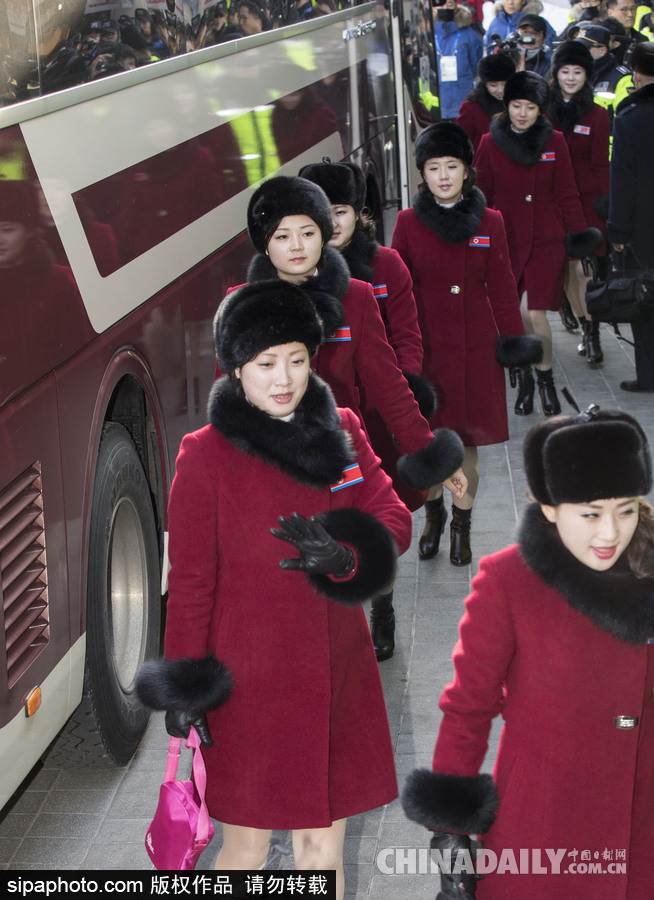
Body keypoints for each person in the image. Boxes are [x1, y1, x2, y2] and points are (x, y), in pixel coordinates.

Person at [136, 280, 413, 896]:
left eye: (296, 360)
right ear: (237, 370)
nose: (284, 378)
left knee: (323, 850)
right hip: (248, 684)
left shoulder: (340, 428)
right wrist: (186, 682)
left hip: (334, 670)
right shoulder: (203, 454)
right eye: (266, 364)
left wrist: (347, 552)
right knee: (247, 849)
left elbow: (394, 516)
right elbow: (190, 582)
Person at [402, 405, 654, 900]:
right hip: (544, 824)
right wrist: (451, 832)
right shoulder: (509, 581)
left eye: (625, 509)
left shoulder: (648, 569)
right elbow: (468, 707)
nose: (610, 533)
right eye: (590, 514)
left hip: (641, 814)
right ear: (549, 507)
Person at [225, 175, 467, 658]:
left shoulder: (356, 296)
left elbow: (389, 383)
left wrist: (429, 452)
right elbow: (227, 396)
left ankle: (381, 608)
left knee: (356, 545)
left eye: (308, 232)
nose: (297, 246)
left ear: (326, 233)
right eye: (281, 236)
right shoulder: (239, 302)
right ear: (263, 243)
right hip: (273, 460)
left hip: (342, 454)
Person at [297, 158, 435, 656]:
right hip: (300, 438)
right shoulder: (265, 290)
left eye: (340, 212)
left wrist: (420, 437)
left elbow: (396, 355)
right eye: (318, 217)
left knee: (370, 526)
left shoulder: (374, 275)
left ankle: (382, 605)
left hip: (363, 426)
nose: (330, 227)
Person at [391, 123, 541, 569]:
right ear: (423, 173)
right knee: (427, 440)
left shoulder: (489, 221)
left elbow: (501, 287)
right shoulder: (407, 222)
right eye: (433, 167)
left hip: (477, 351)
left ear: (466, 171)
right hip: (427, 351)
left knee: (468, 443)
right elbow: (398, 292)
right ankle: (433, 517)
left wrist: (515, 345)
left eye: (451, 166)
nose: (442, 175)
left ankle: (462, 526)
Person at [474, 70, 601, 416]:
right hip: (506, 242)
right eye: (516, 105)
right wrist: (477, 240)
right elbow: (481, 196)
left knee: (532, 311)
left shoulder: (554, 140)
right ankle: (526, 378)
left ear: (540, 109)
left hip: (547, 240)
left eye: (530, 107)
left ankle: (545, 380)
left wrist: (579, 243)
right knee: (514, 316)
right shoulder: (489, 142)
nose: (522, 114)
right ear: (507, 105)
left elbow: (567, 193)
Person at [547, 41, 611, 365]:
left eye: (577, 72)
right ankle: (581, 319)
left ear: (586, 76)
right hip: (553, 201)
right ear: (556, 73)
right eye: (565, 71)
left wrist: (605, 202)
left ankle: (593, 332)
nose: (570, 77)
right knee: (568, 267)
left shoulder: (598, 115)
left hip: (586, 204)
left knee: (584, 267)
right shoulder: (543, 110)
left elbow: (601, 164)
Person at [608, 40, 654, 391]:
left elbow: (623, 180)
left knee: (646, 298)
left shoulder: (629, 119)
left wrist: (618, 231)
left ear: (636, 75)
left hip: (643, 227)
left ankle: (649, 375)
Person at [431, 0, 483, 120]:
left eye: (449, 4)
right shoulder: (428, 34)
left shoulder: (469, 34)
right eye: (441, 4)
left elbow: (475, 65)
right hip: (436, 102)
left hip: (463, 99)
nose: (445, 8)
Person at [457, 54, 517, 152]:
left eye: (505, 84)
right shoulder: (471, 107)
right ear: (485, 84)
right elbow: (462, 143)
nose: (500, 90)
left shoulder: (520, 104)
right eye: (493, 85)